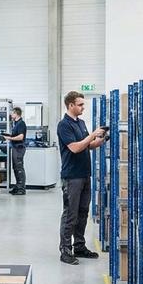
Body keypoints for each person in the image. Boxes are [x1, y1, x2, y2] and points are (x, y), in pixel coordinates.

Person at [57, 91, 106, 265]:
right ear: (70, 105)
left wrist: (101, 139)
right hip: (72, 176)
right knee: (70, 214)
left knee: (83, 213)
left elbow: (87, 146)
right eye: (80, 105)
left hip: (85, 174)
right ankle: (65, 250)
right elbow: (75, 148)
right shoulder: (64, 125)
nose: (83, 107)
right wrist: (92, 135)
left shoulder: (81, 123)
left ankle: (79, 246)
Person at [4, 107, 27, 195]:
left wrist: (9, 138)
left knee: (19, 168)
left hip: (19, 148)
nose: (11, 114)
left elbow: (21, 137)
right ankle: (18, 186)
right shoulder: (16, 123)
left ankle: (21, 189)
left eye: (12, 113)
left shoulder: (21, 123)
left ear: (16, 114)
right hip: (15, 148)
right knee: (16, 168)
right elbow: (16, 134)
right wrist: (8, 135)